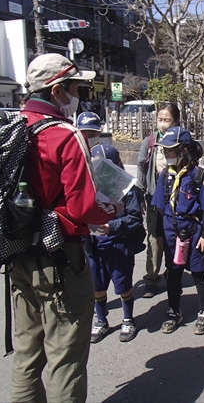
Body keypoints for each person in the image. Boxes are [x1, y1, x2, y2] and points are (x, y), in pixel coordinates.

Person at [11, 53, 124, 403]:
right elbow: (82, 206)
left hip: (15, 250)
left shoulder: (14, 125)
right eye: (75, 87)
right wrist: (113, 208)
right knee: (65, 357)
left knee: (27, 352)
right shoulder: (63, 133)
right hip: (59, 255)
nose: (80, 93)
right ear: (57, 90)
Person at [77, 129, 145, 344]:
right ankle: (101, 320)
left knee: (123, 284)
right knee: (97, 286)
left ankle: (128, 319)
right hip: (94, 246)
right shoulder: (87, 189)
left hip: (119, 245)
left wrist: (112, 226)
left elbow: (135, 219)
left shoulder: (129, 189)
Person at [151, 127, 204, 334]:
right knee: (173, 273)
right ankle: (174, 310)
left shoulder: (199, 176)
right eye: (165, 151)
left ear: (184, 150)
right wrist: (159, 236)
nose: (166, 155)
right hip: (171, 230)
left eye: (170, 150)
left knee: (198, 272)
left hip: (194, 231)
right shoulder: (164, 176)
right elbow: (158, 209)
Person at [136, 103, 181, 298]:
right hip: (154, 196)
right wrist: (140, 193)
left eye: (167, 120)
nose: (163, 124)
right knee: (154, 239)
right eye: (160, 119)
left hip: (176, 197)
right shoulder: (151, 141)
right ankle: (151, 278)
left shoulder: (181, 140)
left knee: (172, 236)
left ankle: (172, 272)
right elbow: (140, 165)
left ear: (176, 121)